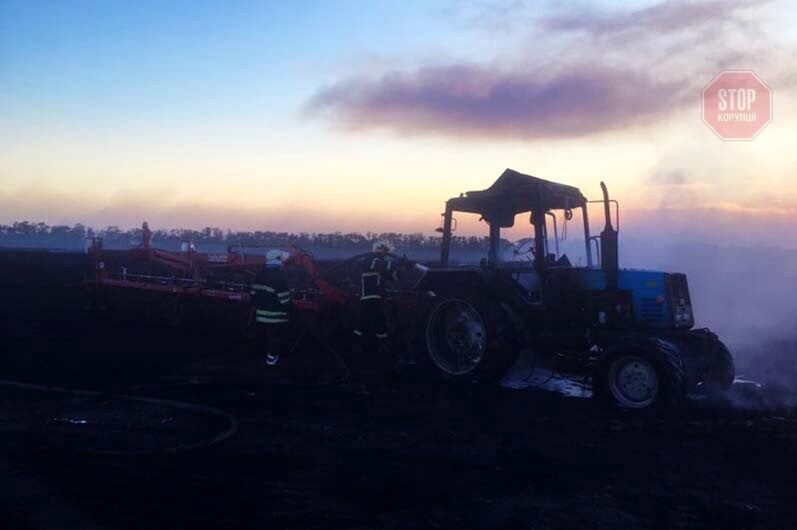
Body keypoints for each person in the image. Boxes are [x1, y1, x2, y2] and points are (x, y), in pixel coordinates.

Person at [353, 240, 399, 353]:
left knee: (378, 320)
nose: (385, 253)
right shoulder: (370, 259)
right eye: (384, 251)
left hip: (376, 298)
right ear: (379, 250)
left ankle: (379, 344)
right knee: (366, 321)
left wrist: (402, 269)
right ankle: (357, 344)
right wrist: (397, 264)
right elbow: (382, 266)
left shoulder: (379, 263)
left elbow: (393, 277)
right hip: (368, 297)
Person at [250, 249, 293, 366]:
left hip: (260, 316)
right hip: (276, 318)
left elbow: (252, 294)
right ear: (279, 261)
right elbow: (286, 301)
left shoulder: (258, 275)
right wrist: (293, 311)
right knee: (275, 339)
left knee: (263, 337)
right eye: (283, 260)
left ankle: (259, 359)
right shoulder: (280, 278)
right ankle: (271, 361)